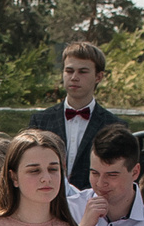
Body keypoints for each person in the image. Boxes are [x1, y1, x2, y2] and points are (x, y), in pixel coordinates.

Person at [29, 40, 121, 182]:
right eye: (69, 71)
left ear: (98, 77)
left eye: (83, 72)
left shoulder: (114, 126)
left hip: (95, 200)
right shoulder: (40, 121)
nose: (74, 77)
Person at [70, 129, 144, 226]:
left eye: (112, 175)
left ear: (135, 172)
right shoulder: (71, 208)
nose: (101, 183)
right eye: (94, 173)